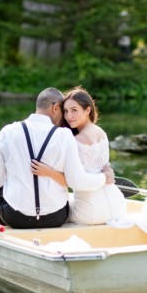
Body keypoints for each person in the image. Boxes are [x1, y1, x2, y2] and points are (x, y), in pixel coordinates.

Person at [0, 87, 115, 229]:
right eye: (64, 111)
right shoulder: (65, 135)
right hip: (56, 217)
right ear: (55, 108)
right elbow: (75, 179)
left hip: (15, 218)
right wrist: (105, 177)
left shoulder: (7, 132)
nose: (66, 117)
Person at [32, 87, 127, 225]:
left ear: (87, 110)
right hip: (117, 205)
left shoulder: (75, 141)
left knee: (51, 210)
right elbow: (103, 167)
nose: (69, 116)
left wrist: (49, 172)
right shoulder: (102, 133)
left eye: (74, 110)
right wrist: (106, 174)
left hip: (90, 211)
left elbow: (75, 181)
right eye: (65, 111)